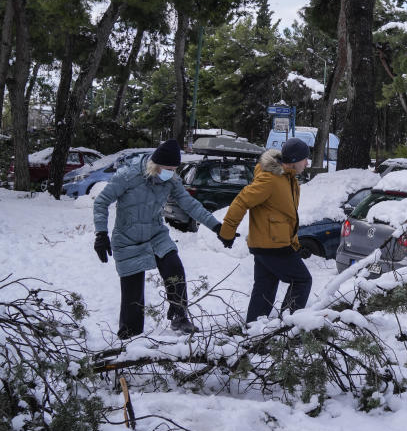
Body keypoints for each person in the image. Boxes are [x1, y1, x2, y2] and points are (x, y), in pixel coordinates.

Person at [93, 139, 222, 339]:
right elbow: (101, 202)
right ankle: (130, 337)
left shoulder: (171, 181)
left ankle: (179, 316)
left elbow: (190, 204)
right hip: (128, 239)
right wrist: (101, 234)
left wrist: (216, 226)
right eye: (167, 168)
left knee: (175, 269)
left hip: (155, 235)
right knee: (133, 296)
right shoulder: (128, 176)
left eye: (173, 169)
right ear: (155, 165)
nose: (170, 172)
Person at [217, 138, 313, 324]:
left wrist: (295, 244)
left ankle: (253, 331)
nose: (307, 163)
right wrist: (227, 232)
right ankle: (288, 326)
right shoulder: (270, 179)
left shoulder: (288, 178)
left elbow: (284, 215)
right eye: (304, 159)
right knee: (302, 281)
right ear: (294, 160)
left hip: (269, 243)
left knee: (265, 288)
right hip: (273, 246)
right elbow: (241, 201)